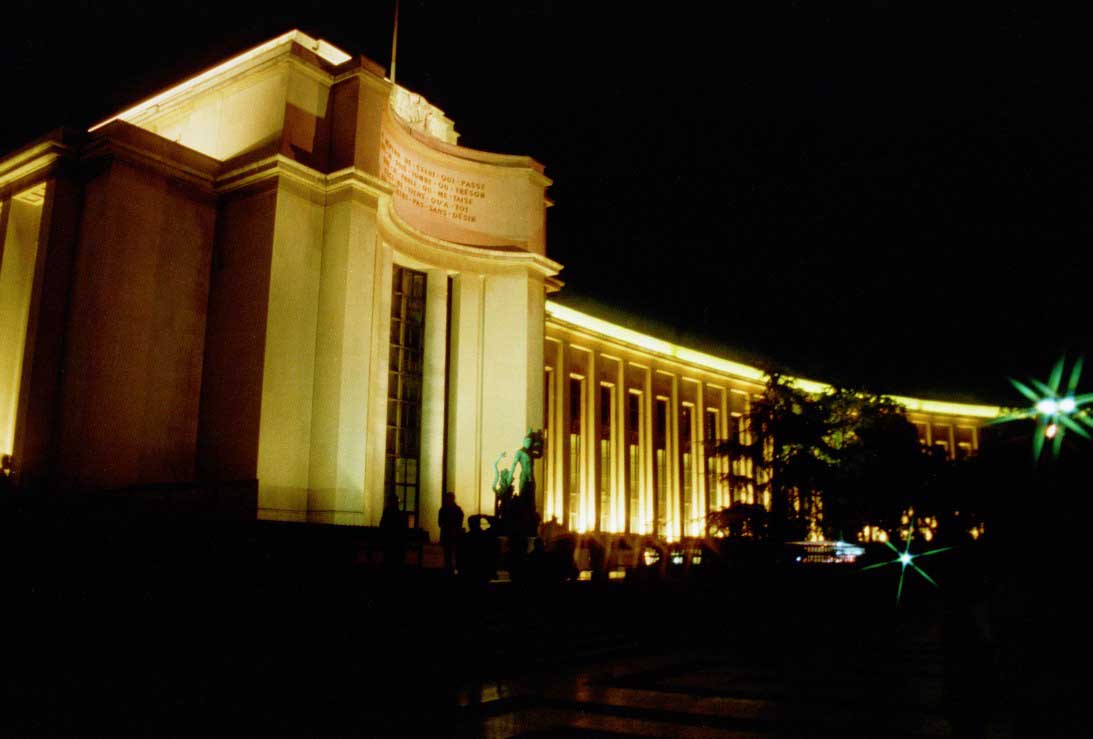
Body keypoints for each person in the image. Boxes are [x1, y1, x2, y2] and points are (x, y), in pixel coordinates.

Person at [438, 492, 464, 575]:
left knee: (447, 553)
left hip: (447, 534)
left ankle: (448, 568)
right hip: (454, 534)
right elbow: (460, 522)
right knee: (454, 552)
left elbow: (440, 523)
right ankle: (455, 568)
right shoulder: (457, 510)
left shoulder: (443, 509)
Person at [380, 491, 407, 571]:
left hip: (388, 541)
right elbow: (403, 527)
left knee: (389, 561)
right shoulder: (399, 513)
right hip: (398, 542)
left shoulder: (387, 512)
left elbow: (382, 524)